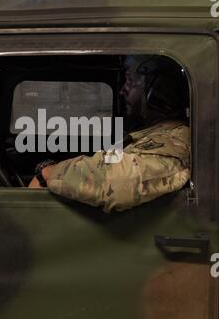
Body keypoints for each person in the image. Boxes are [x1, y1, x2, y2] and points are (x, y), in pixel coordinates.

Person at [29, 55, 190, 213]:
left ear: (156, 91)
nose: (122, 90)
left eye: (130, 81)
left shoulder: (176, 138)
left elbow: (123, 181)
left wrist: (49, 173)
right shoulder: (152, 133)